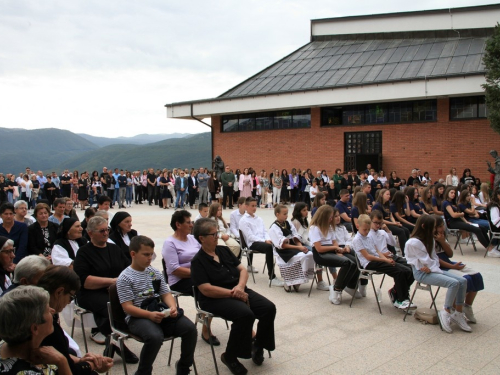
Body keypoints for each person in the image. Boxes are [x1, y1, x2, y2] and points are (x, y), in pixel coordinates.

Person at [191, 218, 276, 374]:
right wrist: (232, 293)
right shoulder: (198, 261)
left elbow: (242, 270)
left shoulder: (223, 251)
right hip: (214, 298)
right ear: (201, 238)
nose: (217, 236)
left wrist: (240, 287)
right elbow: (206, 289)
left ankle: (258, 344)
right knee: (245, 314)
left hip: (238, 289)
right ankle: (230, 356)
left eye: (217, 233)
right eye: (213, 234)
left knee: (268, 308)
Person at [117, 236, 197, 375]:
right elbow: (127, 307)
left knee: (190, 329)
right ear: (133, 254)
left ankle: (184, 366)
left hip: (157, 311)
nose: (150, 258)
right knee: (154, 337)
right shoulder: (125, 277)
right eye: (146, 254)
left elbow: (166, 294)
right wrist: (149, 315)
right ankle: (143, 371)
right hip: (138, 317)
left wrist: (172, 307)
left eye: (151, 254)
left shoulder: (154, 272)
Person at [73, 216, 137, 362]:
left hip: (114, 290)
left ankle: (112, 342)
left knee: (131, 302)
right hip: (90, 293)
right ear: (90, 233)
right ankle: (118, 344)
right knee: (111, 307)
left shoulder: (114, 249)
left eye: (107, 229)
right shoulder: (83, 252)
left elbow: (128, 268)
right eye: (101, 231)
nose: (105, 233)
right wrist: (112, 282)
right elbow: (85, 281)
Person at [38, 266, 114, 375]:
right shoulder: (45, 321)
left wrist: (80, 360)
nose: (69, 303)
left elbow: (61, 354)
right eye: (71, 297)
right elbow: (67, 368)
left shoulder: (43, 309)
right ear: (59, 292)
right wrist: (92, 365)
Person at [405, 215, 472, 333]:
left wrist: (431, 267)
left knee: (463, 281)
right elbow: (420, 261)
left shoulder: (429, 238)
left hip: (432, 269)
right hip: (421, 273)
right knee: (453, 283)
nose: (434, 230)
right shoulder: (413, 242)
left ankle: (458, 313)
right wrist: (426, 267)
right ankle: (445, 311)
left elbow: (434, 258)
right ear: (424, 227)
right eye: (433, 228)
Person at [161, 210, 216, 344]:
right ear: (178, 225)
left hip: (196, 275)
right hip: (180, 280)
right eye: (188, 222)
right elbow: (174, 270)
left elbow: (204, 255)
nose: (192, 225)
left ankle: (213, 314)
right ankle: (206, 329)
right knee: (207, 289)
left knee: (218, 282)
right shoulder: (170, 243)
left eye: (191, 222)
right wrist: (199, 273)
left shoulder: (192, 239)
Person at [0, 286, 73, 375]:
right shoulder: (27, 373)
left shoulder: (5, 344)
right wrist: (62, 362)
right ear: (35, 328)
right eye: (47, 310)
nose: (52, 311)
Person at [352, 214, 416, 310]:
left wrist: (387, 260)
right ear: (358, 226)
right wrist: (385, 260)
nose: (367, 232)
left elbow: (377, 251)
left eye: (368, 229)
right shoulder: (357, 239)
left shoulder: (368, 237)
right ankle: (401, 299)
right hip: (369, 263)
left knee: (410, 270)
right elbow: (368, 257)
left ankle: (396, 292)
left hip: (378, 259)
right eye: (365, 230)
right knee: (399, 271)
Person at [310, 205, 361, 305]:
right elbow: (319, 249)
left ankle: (350, 286)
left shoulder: (329, 226)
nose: (332, 219)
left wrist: (338, 250)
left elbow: (334, 242)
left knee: (355, 261)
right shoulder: (314, 228)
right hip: (321, 254)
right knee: (346, 263)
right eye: (330, 217)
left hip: (331, 250)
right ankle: (337, 288)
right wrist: (335, 248)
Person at [239, 197, 284, 287]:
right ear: (246, 207)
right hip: (252, 244)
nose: (255, 208)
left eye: (256, 205)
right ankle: (272, 277)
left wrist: (268, 239)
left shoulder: (259, 219)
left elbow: (265, 232)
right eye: (252, 206)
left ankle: (287, 271)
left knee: (278, 244)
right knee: (268, 247)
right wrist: (264, 241)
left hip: (262, 241)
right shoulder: (243, 220)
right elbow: (250, 237)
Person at [269, 205, 315, 291]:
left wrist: (300, 246)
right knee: (302, 256)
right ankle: (289, 281)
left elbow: (296, 236)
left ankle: (298, 281)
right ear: (277, 214)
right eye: (284, 214)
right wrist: (299, 248)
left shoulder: (288, 223)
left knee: (310, 254)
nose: (286, 216)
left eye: (287, 213)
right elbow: (282, 245)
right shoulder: (274, 228)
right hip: (283, 250)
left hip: (293, 246)